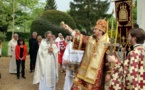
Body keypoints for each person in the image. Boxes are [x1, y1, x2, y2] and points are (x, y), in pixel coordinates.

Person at [63, 19, 110, 90]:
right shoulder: (90, 39)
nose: (93, 30)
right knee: (76, 87)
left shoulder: (107, 44)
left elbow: (109, 60)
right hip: (83, 71)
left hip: (96, 75)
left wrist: (108, 73)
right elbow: (79, 37)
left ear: (101, 31)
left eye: (95, 29)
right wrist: (68, 29)